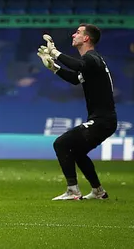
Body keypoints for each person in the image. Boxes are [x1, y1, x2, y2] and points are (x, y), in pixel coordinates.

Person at [38, 24, 117, 200]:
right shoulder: (91, 62)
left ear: (86, 38)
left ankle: (73, 190)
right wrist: (55, 68)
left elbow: (79, 66)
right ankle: (98, 191)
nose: (74, 35)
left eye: (78, 33)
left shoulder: (92, 58)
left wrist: (55, 53)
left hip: (102, 120)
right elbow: (76, 78)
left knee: (61, 144)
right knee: (77, 152)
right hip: (104, 120)